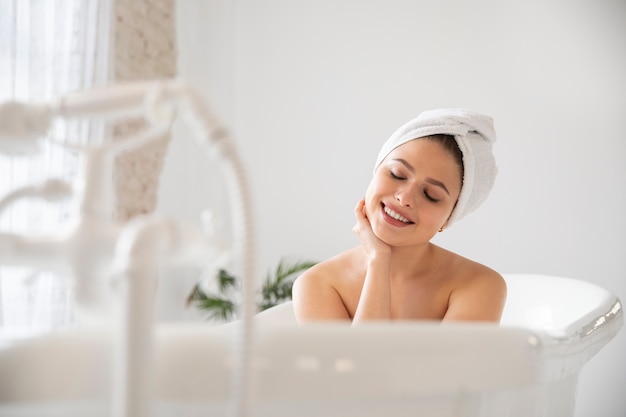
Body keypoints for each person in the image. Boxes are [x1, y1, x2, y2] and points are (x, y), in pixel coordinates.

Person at [292, 108, 506, 323]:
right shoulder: (318, 283)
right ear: (376, 170)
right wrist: (379, 261)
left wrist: (379, 260)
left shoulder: (479, 285)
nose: (405, 198)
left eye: (431, 195)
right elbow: (353, 358)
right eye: (396, 174)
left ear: (449, 218)